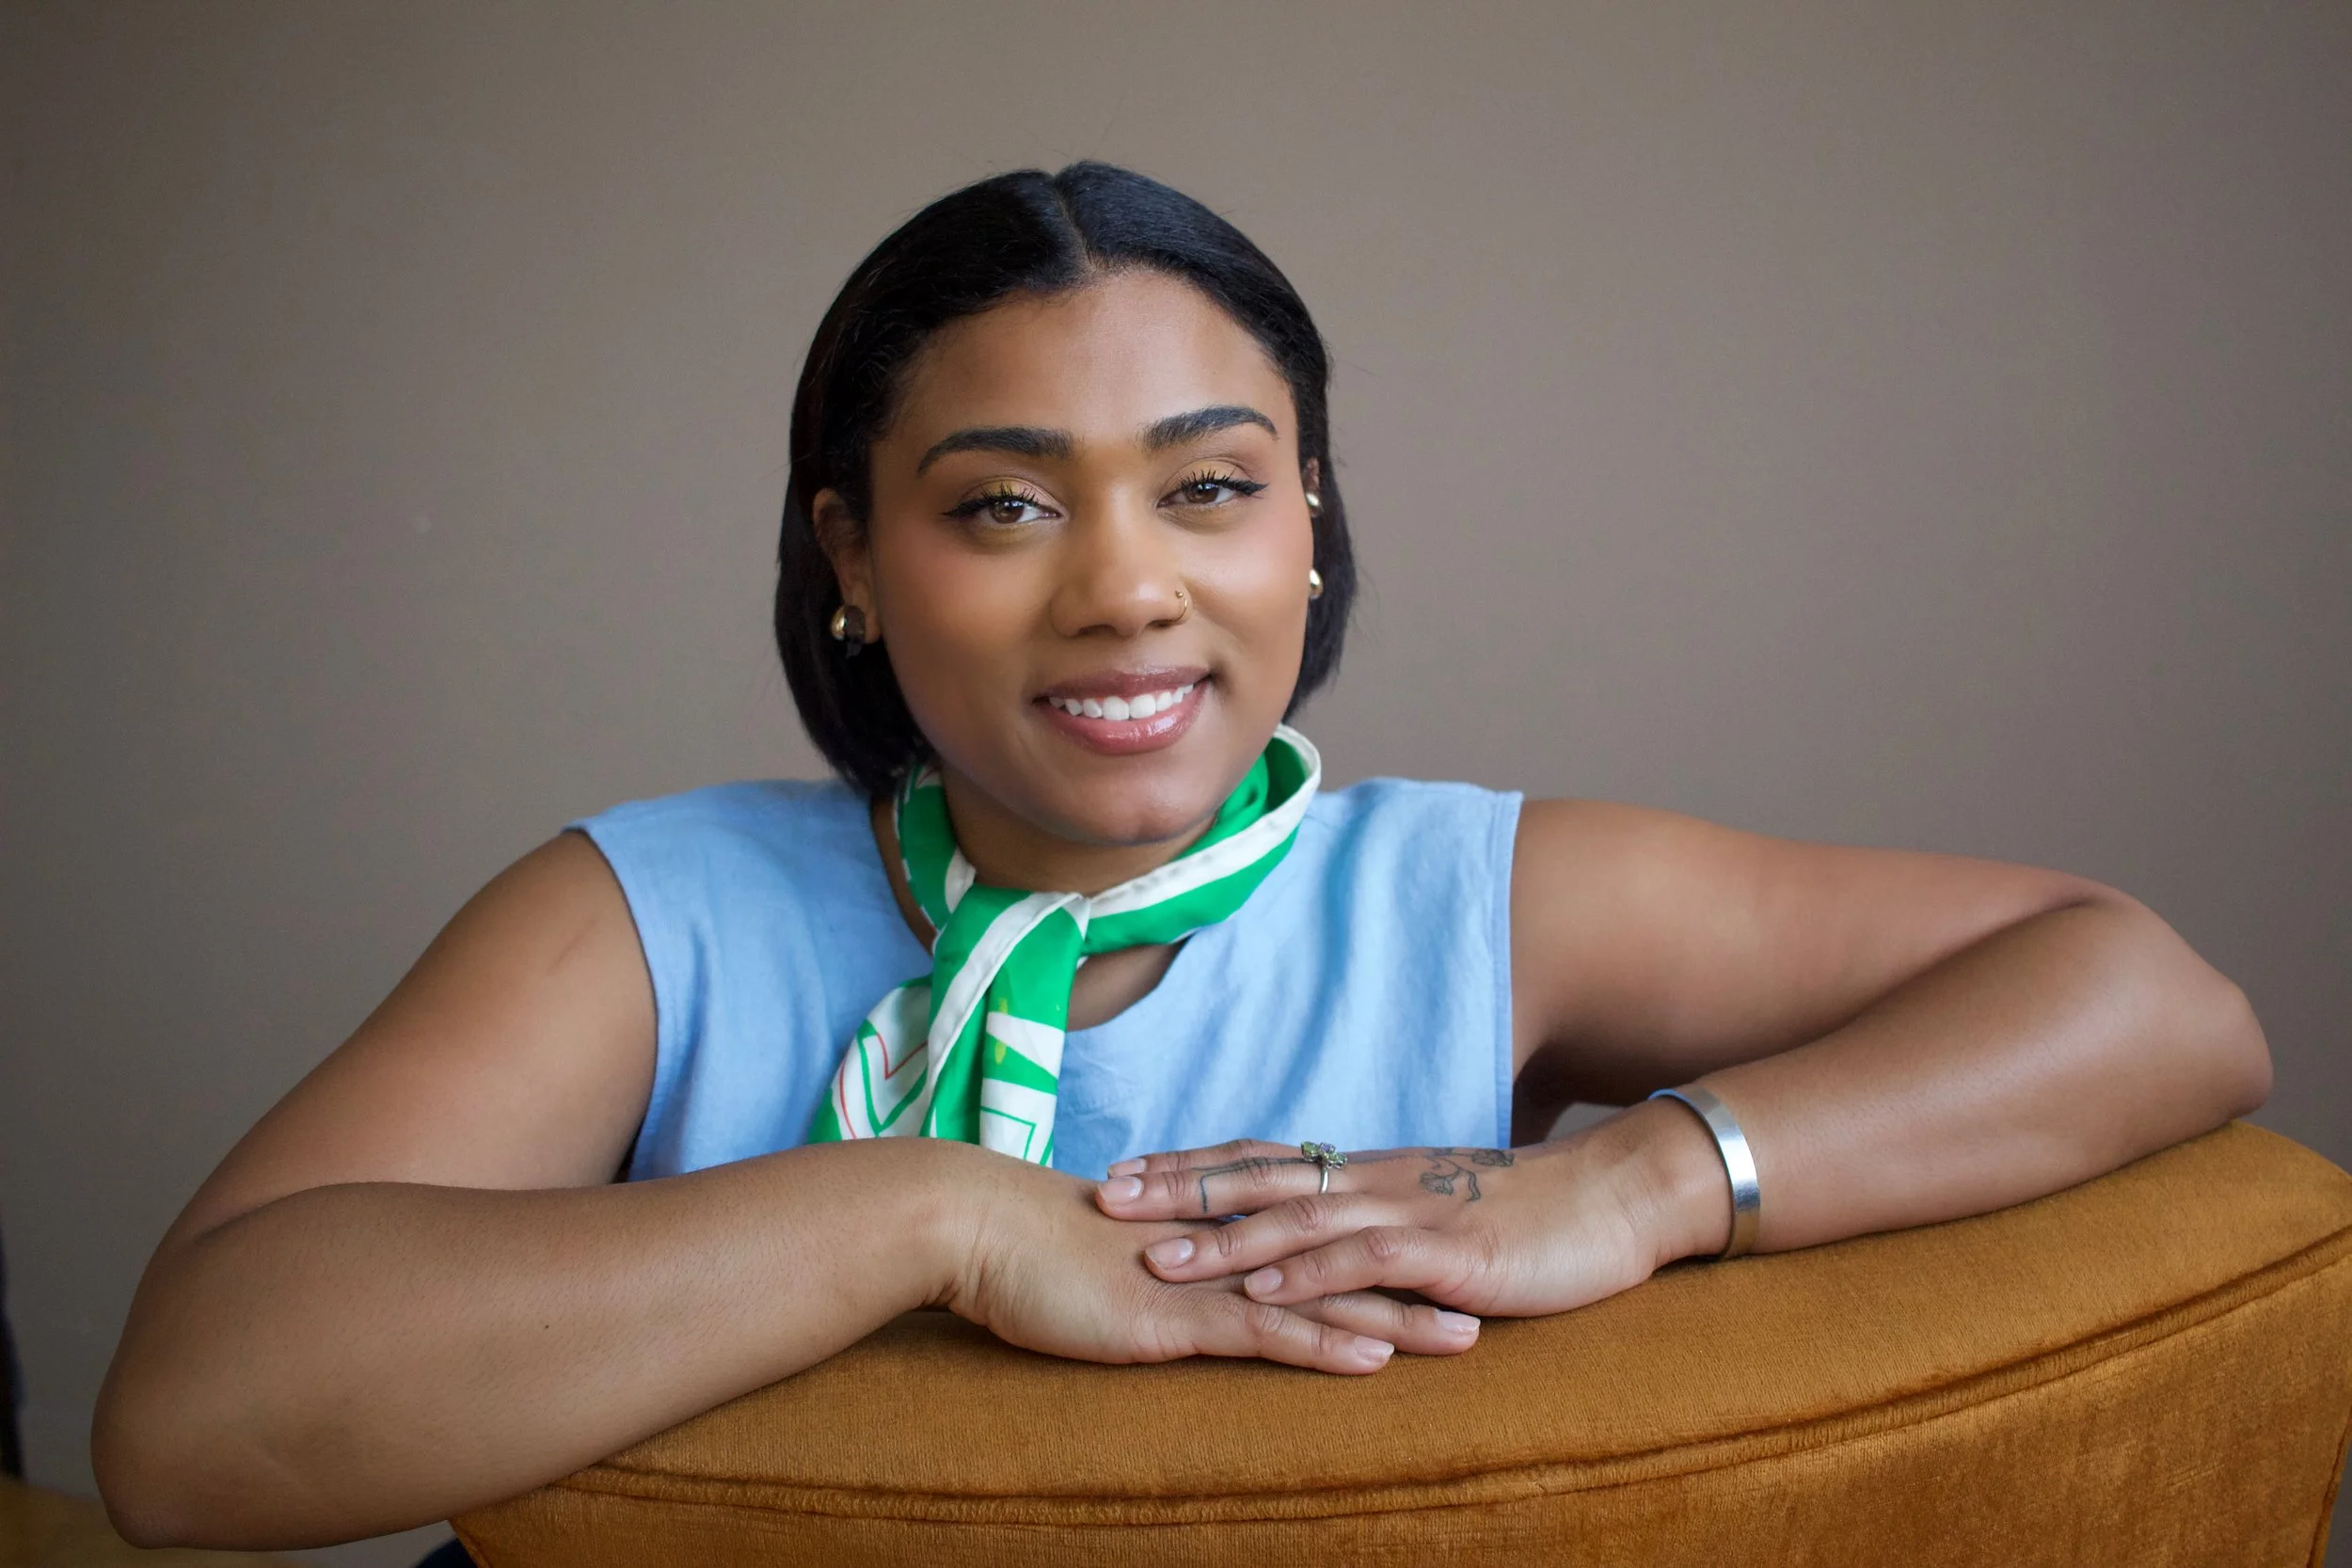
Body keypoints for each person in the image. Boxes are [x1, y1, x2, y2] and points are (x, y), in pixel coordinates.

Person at [91, 162, 2270, 1552]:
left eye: (1209, 487)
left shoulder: (1473, 896)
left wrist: (1628, 1182)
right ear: (852, 555)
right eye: (1002, 504)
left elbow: (2151, 994)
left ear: (1308, 518)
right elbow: (192, 1422)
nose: (1124, 589)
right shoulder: (638, 913)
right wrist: (928, 1215)